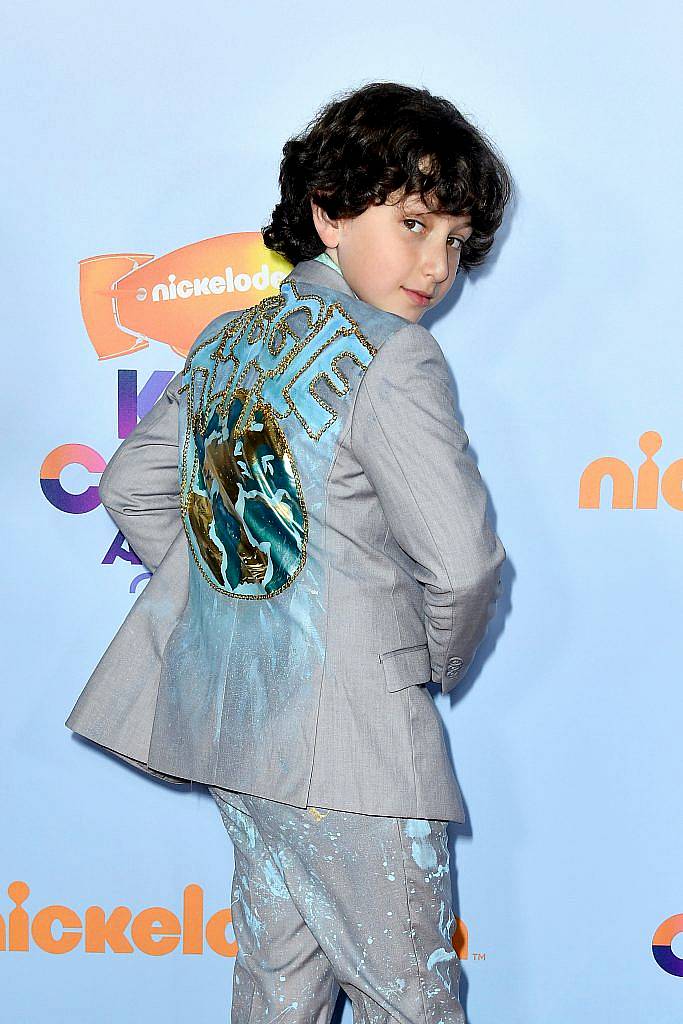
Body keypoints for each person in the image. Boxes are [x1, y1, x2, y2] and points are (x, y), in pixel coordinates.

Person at [66, 80, 513, 1023]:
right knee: (413, 1004)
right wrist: (413, 664)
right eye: (415, 223)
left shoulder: (233, 337)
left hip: (244, 732)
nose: (437, 264)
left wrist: (233, 601)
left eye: (457, 242)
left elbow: (129, 486)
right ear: (328, 212)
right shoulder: (395, 355)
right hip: (354, 748)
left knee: (278, 992)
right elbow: (464, 566)